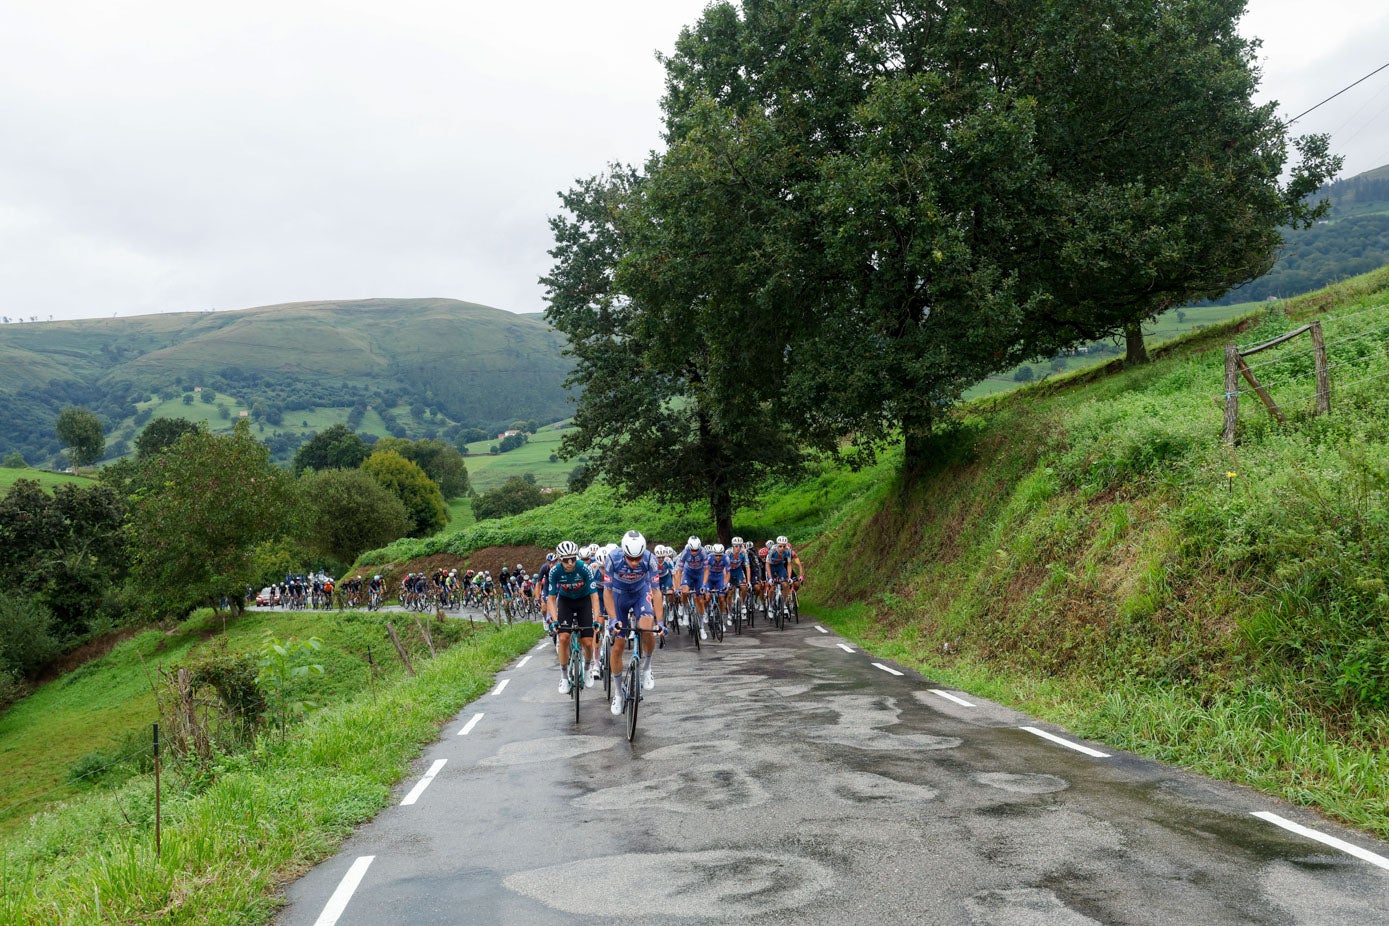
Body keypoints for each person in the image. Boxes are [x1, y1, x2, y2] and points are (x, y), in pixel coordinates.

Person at [602, 530, 664, 714]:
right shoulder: (612, 559)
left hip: (639, 593)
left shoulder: (650, 559)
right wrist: (613, 619)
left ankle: (646, 667)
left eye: (638, 558)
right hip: (618, 597)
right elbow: (607, 592)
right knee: (618, 646)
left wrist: (660, 621)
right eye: (631, 558)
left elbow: (656, 592)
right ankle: (619, 694)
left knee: (647, 628)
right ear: (623, 552)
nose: (635, 562)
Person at [547, 540, 601, 692]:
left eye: (573, 559)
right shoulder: (555, 571)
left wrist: (596, 619)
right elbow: (551, 598)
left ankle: (588, 667)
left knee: (589, 642)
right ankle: (564, 677)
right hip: (566, 602)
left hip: (584, 601)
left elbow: (595, 596)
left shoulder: (584, 568)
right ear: (559, 559)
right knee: (563, 638)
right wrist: (555, 619)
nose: (570, 563)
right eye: (566, 560)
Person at [676, 536, 709, 638]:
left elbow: (707, 570)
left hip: (699, 574)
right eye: (692, 550)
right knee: (685, 591)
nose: (694, 552)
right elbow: (679, 571)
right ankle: (685, 612)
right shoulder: (685, 552)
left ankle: (702, 627)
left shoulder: (703, 552)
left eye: (696, 550)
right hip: (688, 573)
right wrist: (678, 588)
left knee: (699, 599)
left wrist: (704, 584)